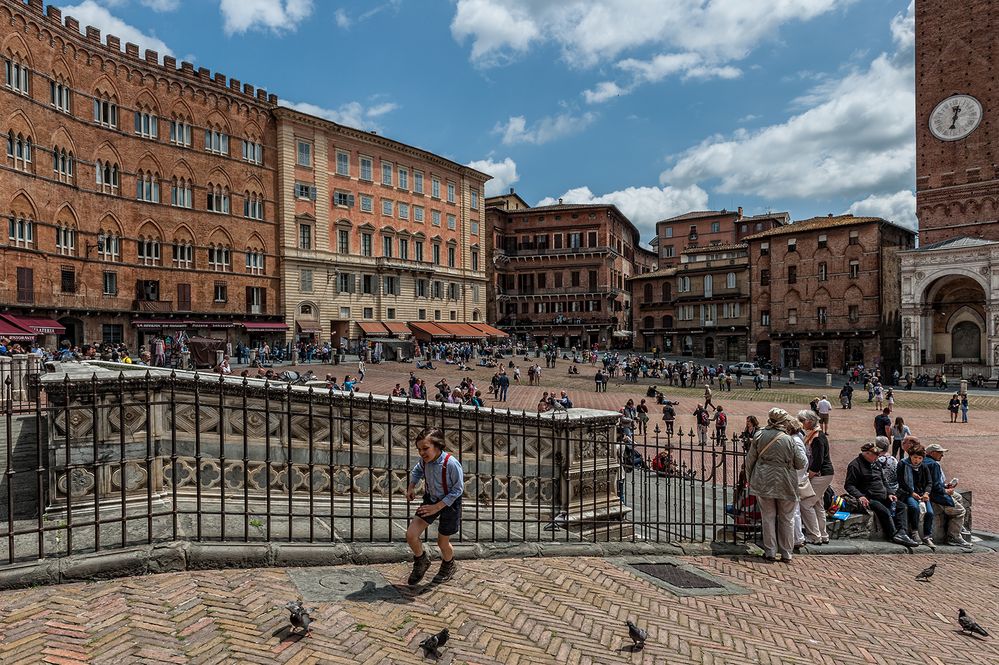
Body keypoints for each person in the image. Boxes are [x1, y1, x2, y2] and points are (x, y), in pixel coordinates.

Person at [745, 408, 807, 562]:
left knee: (768, 517)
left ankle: (770, 551)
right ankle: (787, 553)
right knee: (787, 518)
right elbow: (801, 463)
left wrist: (750, 479)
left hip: (763, 480)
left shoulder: (759, 435)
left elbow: (750, 461)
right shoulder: (789, 439)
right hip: (785, 481)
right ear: (782, 422)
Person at [405, 427, 465, 585]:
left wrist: (437, 507)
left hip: (450, 503)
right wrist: (411, 486)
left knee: (442, 542)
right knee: (411, 535)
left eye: (425, 448)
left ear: (438, 446)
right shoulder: (423, 462)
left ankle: (449, 564)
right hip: (431, 499)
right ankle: (421, 560)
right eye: (419, 449)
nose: (422, 453)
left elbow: (458, 489)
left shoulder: (451, 464)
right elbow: (417, 471)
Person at [844, 442, 919, 547]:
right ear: (866, 453)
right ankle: (893, 534)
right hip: (869, 497)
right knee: (883, 510)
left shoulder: (876, 463)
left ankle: (902, 532)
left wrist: (890, 493)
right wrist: (860, 496)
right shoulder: (855, 465)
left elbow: (884, 481)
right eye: (875, 455)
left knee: (902, 507)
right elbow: (849, 485)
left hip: (883, 495)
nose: (877, 457)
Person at [923, 444, 973, 549]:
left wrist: (946, 486)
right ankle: (954, 537)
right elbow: (935, 487)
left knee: (958, 497)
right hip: (937, 496)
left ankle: (959, 526)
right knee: (960, 511)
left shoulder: (924, 461)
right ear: (932, 453)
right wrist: (946, 491)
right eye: (940, 453)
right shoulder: (934, 465)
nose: (942, 455)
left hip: (933, 491)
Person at [798, 410, 833, 545]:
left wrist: (808, 476)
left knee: (806, 504)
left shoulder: (817, 437)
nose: (802, 424)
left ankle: (814, 535)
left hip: (821, 474)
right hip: (824, 474)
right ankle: (823, 534)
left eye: (803, 421)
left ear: (810, 421)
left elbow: (817, 461)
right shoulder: (815, 435)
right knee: (818, 503)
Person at [897, 443, 935, 548]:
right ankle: (915, 532)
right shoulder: (903, 464)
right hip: (908, 492)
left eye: (919, 458)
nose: (916, 460)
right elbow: (901, 481)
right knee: (914, 507)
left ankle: (927, 536)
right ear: (910, 456)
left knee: (930, 513)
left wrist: (927, 493)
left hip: (922, 493)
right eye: (914, 457)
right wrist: (911, 493)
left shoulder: (924, 467)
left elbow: (929, 482)